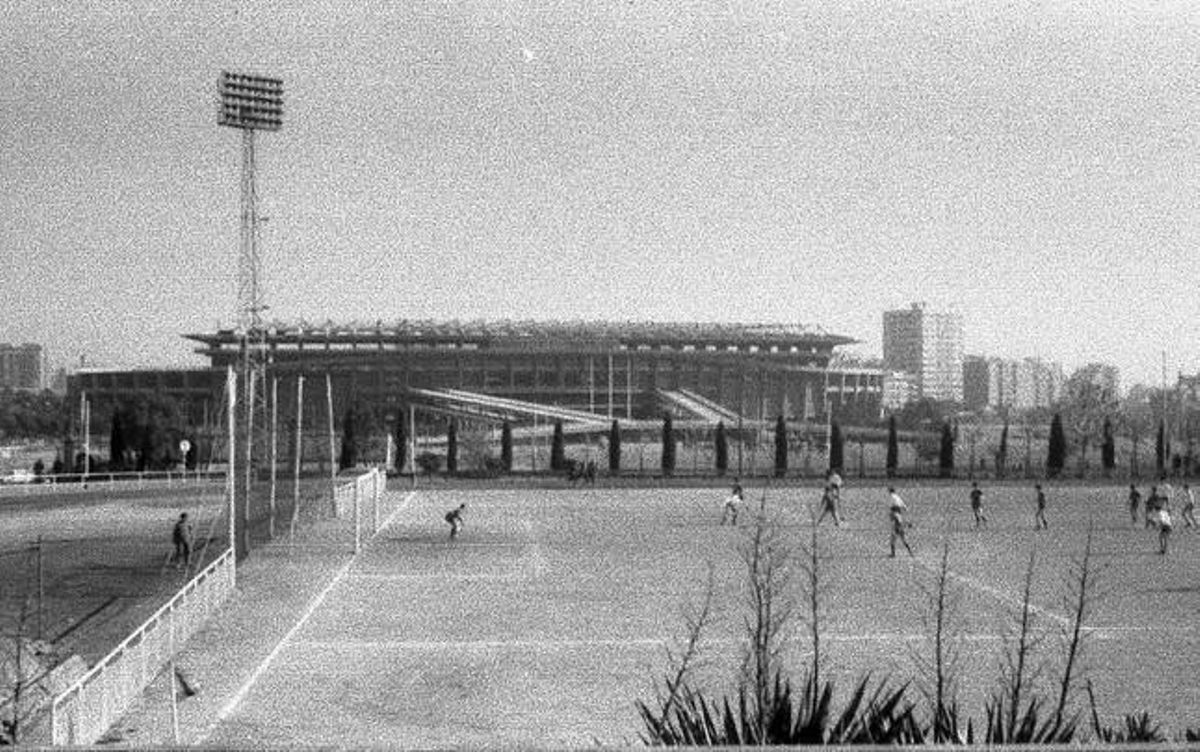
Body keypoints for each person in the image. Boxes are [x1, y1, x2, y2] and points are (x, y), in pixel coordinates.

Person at [888, 487, 913, 558]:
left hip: (897, 529)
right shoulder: (898, 513)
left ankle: (893, 554)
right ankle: (911, 553)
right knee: (904, 541)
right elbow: (902, 520)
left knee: (892, 541)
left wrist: (895, 528)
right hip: (900, 528)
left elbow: (898, 521)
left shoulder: (894, 514)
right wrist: (908, 524)